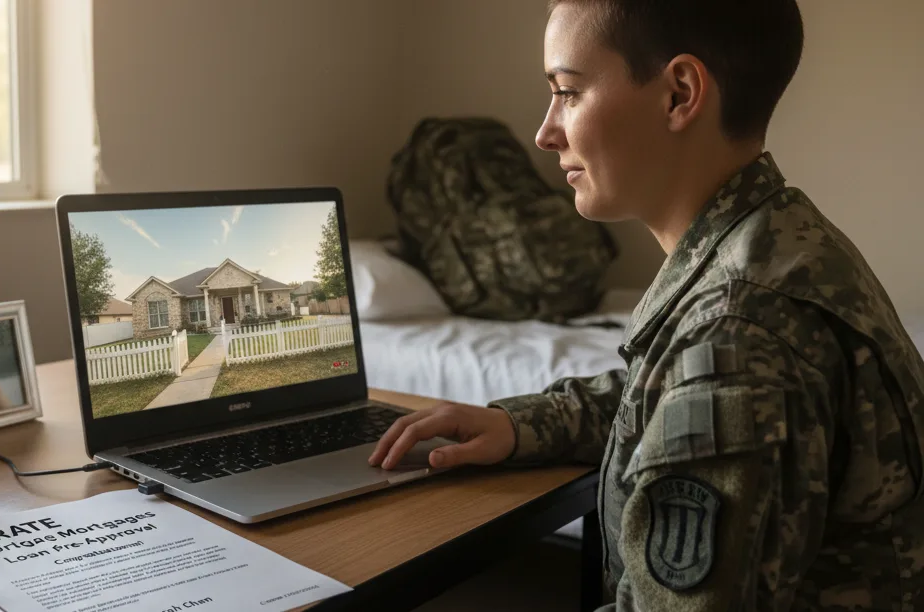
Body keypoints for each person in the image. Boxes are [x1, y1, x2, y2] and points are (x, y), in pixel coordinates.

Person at [369, 0, 924, 609]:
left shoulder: (736, 333)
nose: (545, 131)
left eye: (568, 92)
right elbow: (669, 402)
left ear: (679, 94)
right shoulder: (781, 236)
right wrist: (519, 424)